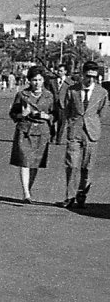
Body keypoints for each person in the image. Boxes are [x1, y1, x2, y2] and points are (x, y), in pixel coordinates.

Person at [60, 61, 108, 209]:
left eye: (94, 77)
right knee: (72, 165)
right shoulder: (72, 90)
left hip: (92, 133)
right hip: (75, 131)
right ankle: (69, 196)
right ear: (82, 75)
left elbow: (102, 113)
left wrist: (92, 121)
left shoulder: (102, 93)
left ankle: (82, 194)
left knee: (87, 167)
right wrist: (72, 123)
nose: (91, 80)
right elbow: (66, 109)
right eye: (88, 76)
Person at [9, 66, 54, 204]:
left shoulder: (49, 96)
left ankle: (29, 189)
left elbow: (56, 114)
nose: (37, 83)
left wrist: (47, 116)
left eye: (40, 80)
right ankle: (26, 193)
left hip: (41, 132)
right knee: (24, 162)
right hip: (25, 131)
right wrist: (22, 114)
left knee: (35, 163)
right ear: (29, 80)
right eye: (34, 80)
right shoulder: (22, 95)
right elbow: (13, 113)